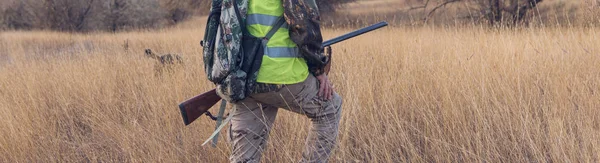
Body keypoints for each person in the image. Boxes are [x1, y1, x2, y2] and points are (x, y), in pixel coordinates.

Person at [227, 0, 343, 162]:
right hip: (283, 75)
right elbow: (305, 27)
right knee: (330, 108)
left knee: (244, 158)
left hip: (243, 79)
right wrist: (319, 69)